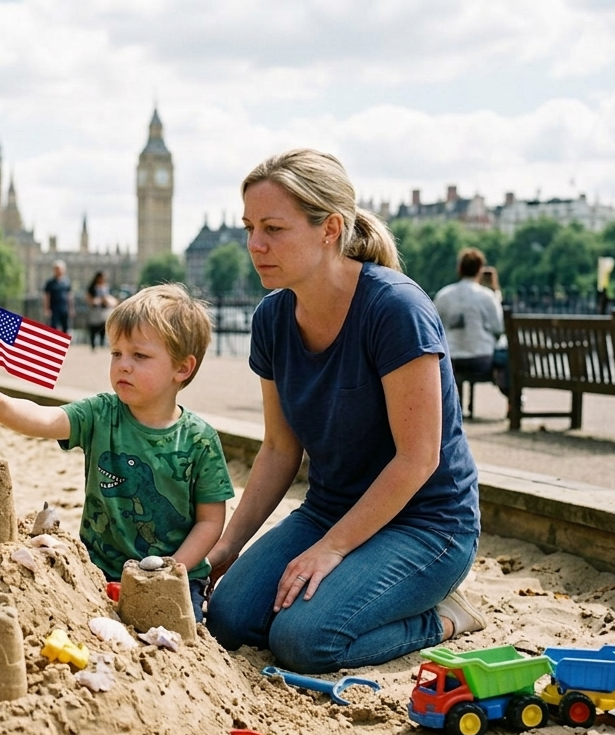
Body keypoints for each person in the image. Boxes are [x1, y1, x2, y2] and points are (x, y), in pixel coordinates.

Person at [203, 149, 484, 674]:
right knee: (227, 618)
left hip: (427, 524)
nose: (254, 245)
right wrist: (225, 549)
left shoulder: (396, 310)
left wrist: (330, 550)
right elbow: (280, 449)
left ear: (329, 228)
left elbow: (418, 458)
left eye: (273, 228)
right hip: (331, 509)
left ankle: (444, 617)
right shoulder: (272, 319)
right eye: (249, 228)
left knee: (304, 641)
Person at [0, 284, 233, 622]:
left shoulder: (200, 439)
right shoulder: (102, 412)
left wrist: (172, 568)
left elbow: (210, 521)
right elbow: (47, 419)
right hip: (96, 568)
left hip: (174, 576)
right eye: (116, 354)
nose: (123, 365)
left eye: (140, 356)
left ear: (182, 368)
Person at [433, 248, 504, 389]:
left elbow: (434, 328)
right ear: (480, 270)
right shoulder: (487, 296)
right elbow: (498, 328)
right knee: (506, 359)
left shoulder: (443, 295)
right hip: (480, 359)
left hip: (450, 359)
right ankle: (512, 400)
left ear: (459, 268)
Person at [86, 271, 117, 351]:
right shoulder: (92, 288)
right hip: (95, 309)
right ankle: (93, 344)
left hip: (105, 309)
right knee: (94, 327)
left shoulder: (107, 287)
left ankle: (102, 342)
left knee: (103, 326)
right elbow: (89, 298)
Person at [43, 261, 73, 336]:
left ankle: (64, 344)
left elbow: (69, 296)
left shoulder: (67, 282)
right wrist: (46, 309)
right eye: (56, 269)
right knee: (53, 326)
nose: (58, 271)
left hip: (64, 308)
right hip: (54, 308)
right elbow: (47, 296)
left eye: (59, 269)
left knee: (65, 327)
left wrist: (71, 308)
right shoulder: (50, 283)